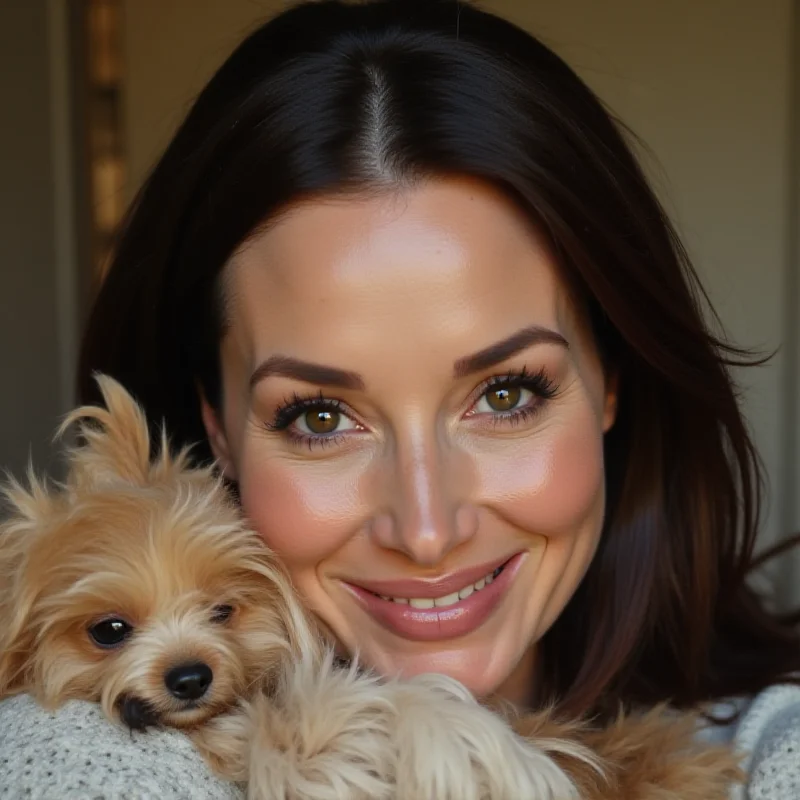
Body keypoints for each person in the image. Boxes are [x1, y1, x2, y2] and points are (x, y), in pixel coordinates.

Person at [1, 0, 799, 796]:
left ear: (610, 381)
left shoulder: (772, 750)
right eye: (319, 416)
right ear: (217, 430)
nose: (425, 530)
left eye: (506, 392)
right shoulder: (77, 751)